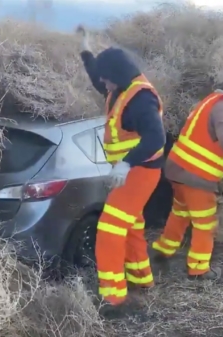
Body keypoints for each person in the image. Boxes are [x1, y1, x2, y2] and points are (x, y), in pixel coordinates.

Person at [77, 25, 166, 307]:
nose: (103, 83)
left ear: (116, 76)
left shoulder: (141, 99)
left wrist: (126, 164)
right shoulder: (119, 87)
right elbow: (96, 77)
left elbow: (156, 137)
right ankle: (142, 279)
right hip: (130, 171)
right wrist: (85, 48)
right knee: (131, 225)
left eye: (107, 79)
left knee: (110, 229)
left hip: (140, 172)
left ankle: (113, 299)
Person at [151, 72, 223, 281]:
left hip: (178, 169)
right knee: (205, 222)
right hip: (196, 176)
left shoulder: (210, 101)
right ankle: (198, 268)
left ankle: (164, 248)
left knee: (181, 211)